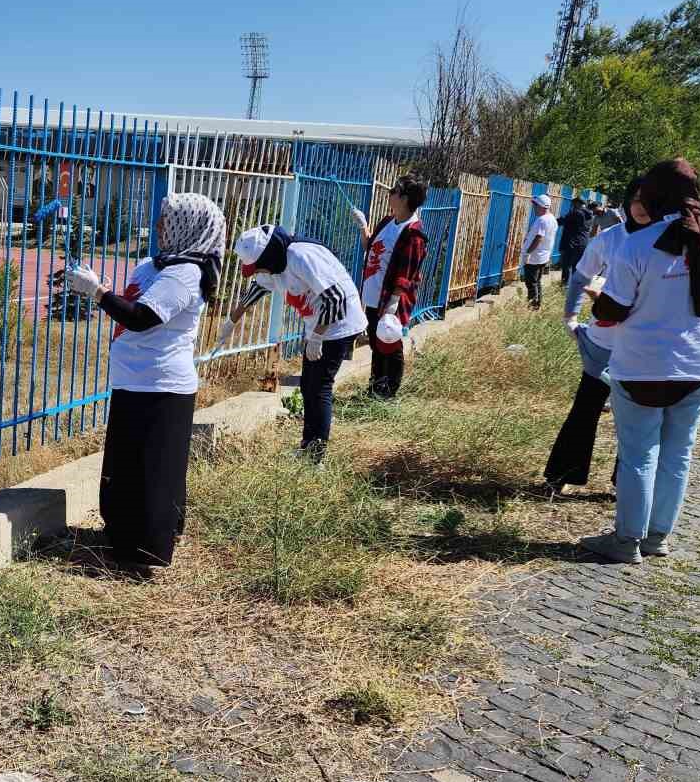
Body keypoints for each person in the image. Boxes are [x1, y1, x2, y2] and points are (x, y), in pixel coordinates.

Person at [579, 158, 700, 564]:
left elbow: (611, 313)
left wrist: (598, 301)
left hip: (642, 367)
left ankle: (627, 540)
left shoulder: (636, 244)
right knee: (678, 452)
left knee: (639, 453)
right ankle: (658, 537)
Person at [59, 192, 223, 572]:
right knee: (125, 466)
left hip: (161, 385)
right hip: (133, 379)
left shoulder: (186, 274)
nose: (159, 225)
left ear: (188, 226)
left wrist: (96, 292)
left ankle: (146, 552)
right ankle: (121, 538)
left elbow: (141, 317)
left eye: (167, 219)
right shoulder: (154, 264)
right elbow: (129, 304)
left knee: (153, 471)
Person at [544, 178, 651, 491]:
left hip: (640, 347)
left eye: (650, 200)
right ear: (628, 201)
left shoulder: (664, 242)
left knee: (634, 421)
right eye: (637, 199)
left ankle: (626, 484)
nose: (642, 207)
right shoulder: (611, 238)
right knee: (584, 410)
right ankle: (561, 475)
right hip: (603, 342)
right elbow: (581, 277)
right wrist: (570, 317)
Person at [231, 223, 366, 461]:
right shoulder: (276, 265)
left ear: (268, 255)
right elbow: (258, 287)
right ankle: (308, 446)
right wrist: (231, 321)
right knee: (308, 386)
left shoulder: (301, 257)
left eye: (256, 265)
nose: (255, 271)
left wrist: (316, 337)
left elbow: (336, 299)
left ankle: (316, 456)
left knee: (319, 387)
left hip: (339, 325)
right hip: (319, 326)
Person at [353, 173, 428, 398]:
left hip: (391, 300)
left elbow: (407, 273)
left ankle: (389, 391)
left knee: (390, 343)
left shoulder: (414, 234)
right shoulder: (387, 222)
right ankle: (376, 386)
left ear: (404, 199)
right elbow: (370, 246)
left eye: (395, 191)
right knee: (377, 343)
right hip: (375, 295)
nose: (390, 194)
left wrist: (393, 304)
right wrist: (362, 226)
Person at [522, 193, 558, 309]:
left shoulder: (542, 220)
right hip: (543, 256)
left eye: (535, 205)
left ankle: (533, 305)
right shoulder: (552, 219)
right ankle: (537, 304)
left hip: (534, 257)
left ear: (541, 206)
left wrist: (528, 252)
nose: (534, 208)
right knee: (537, 281)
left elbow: (539, 237)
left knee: (531, 282)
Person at [557, 199, 594, 285]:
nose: (572, 206)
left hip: (571, 243)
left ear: (577, 204)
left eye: (573, 204)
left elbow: (561, 221)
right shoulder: (590, 214)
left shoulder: (576, 213)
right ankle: (574, 286)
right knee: (576, 267)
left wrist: (552, 220)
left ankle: (564, 285)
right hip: (582, 243)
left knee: (566, 266)